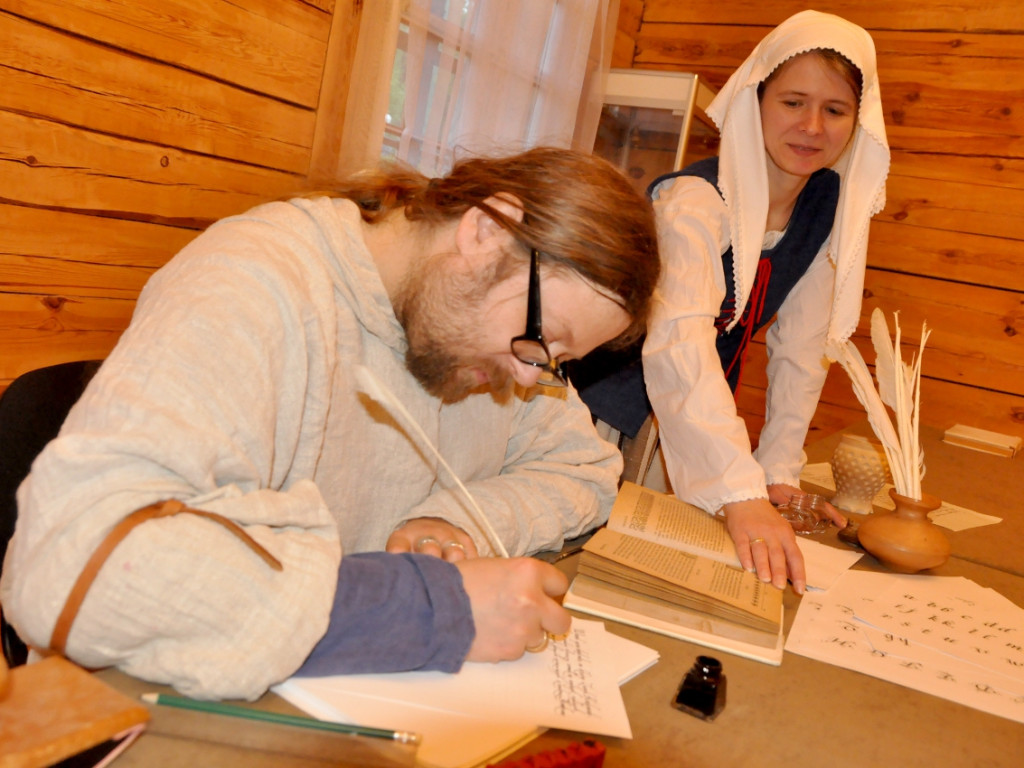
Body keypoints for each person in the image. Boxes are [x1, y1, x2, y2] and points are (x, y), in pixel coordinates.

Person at [0, 147, 659, 700]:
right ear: (487, 231)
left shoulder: (502, 350)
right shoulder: (253, 282)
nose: (530, 378)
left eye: (556, 360)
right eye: (543, 338)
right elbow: (76, 565)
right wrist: (426, 607)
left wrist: (458, 519)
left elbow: (585, 467)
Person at [643, 11, 890, 594]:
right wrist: (739, 491)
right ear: (755, 100)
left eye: (836, 110)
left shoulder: (827, 207)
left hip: (705, 426)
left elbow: (802, 349)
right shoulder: (694, 201)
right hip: (620, 419)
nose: (812, 127)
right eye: (793, 102)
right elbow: (679, 344)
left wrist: (776, 472)